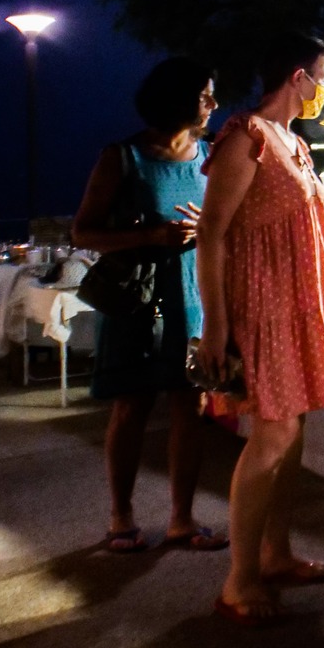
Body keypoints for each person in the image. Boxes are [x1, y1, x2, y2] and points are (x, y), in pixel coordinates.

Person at [198, 33, 324, 625]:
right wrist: (215, 324)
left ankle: (276, 554)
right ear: (298, 76)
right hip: (263, 310)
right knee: (271, 438)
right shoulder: (245, 138)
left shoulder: (293, 142)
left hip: (298, 307)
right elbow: (213, 235)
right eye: (322, 75)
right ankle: (238, 581)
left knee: (290, 437)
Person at [71, 58, 225, 555]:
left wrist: (209, 228)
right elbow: (84, 232)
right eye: (205, 95)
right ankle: (121, 517)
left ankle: (183, 519)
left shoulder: (211, 154)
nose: (214, 105)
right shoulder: (124, 157)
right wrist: (153, 235)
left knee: (191, 403)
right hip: (137, 296)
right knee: (131, 405)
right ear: (177, 99)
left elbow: (227, 225)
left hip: (193, 293)